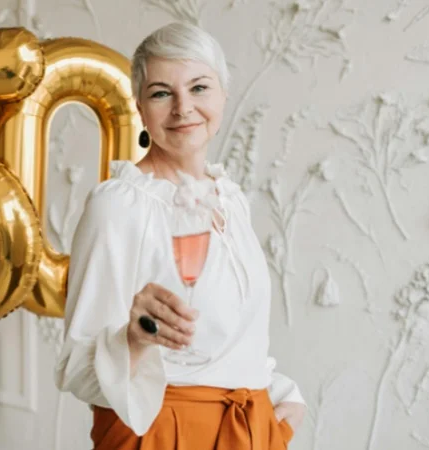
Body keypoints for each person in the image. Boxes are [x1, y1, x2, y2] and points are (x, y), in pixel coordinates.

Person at [54, 21, 306, 449]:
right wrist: (132, 341)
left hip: (250, 429)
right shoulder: (118, 205)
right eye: (161, 93)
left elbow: (233, 338)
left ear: (223, 95)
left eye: (200, 87)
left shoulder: (229, 198)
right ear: (140, 108)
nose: (182, 107)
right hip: (163, 433)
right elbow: (75, 367)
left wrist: (282, 394)